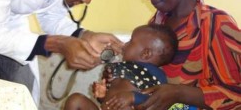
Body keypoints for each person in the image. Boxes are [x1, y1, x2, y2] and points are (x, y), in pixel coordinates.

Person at [119, 0, 241, 110]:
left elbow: (236, 93)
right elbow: (143, 77)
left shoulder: (215, 24)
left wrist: (178, 93)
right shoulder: (155, 25)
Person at [64, 24, 196, 110]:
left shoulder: (155, 74)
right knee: (75, 100)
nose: (125, 44)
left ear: (146, 54)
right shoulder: (120, 67)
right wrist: (102, 95)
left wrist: (133, 97)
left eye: (131, 41)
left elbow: (156, 101)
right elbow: (112, 99)